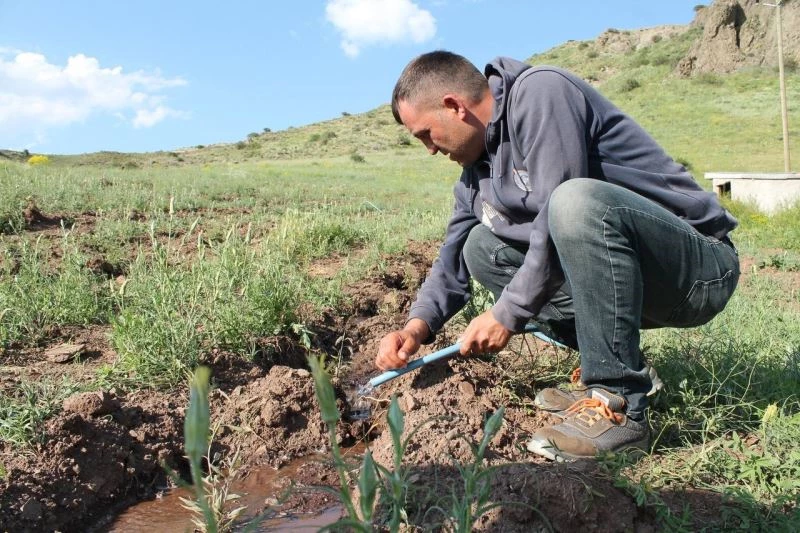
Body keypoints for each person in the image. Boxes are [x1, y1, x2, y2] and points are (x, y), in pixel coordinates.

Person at [374, 50, 740, 462]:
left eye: (425, 134)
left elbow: (557, 211)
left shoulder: (540, 93)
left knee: (574, 202)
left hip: (697, 269)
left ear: (454, 106)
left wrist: (506, 313)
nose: (429, 150)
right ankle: (618, 366)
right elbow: (452, 261)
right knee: (481, 248)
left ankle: (620, 406)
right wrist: (415, 328)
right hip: (636, 282)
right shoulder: (474, 179)